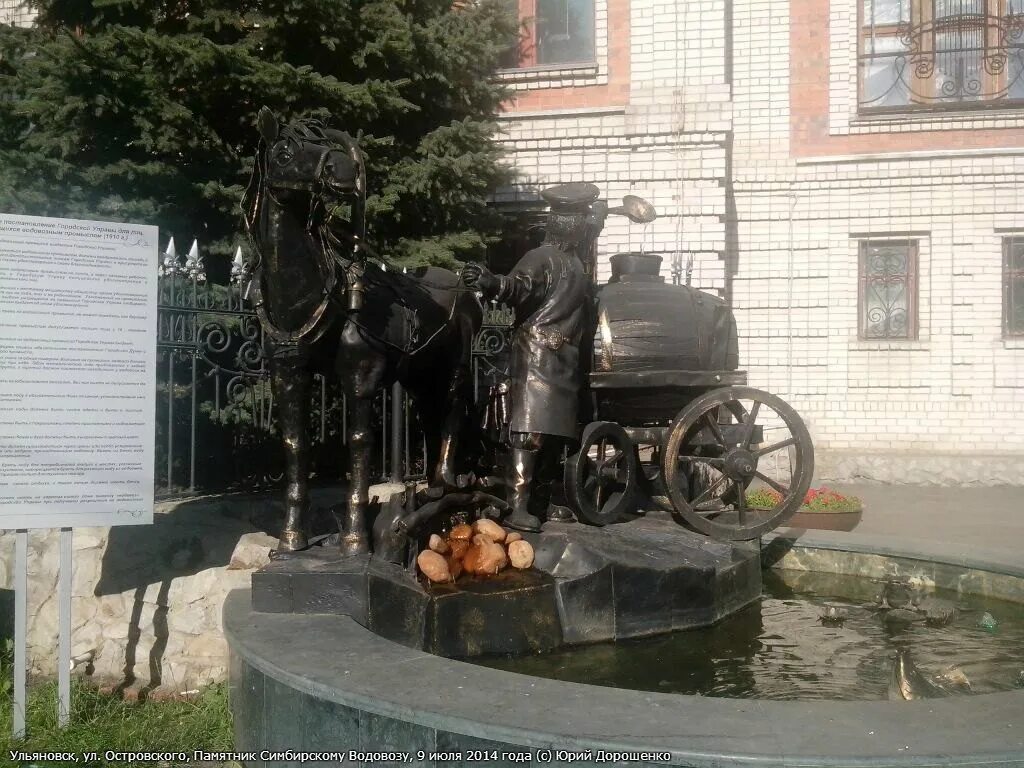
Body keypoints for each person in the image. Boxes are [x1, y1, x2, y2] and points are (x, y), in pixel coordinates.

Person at [462, 182, 602, 531]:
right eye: (582, 218)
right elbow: (517, 286)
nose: (586, 224)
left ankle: (541, 501)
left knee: (555, 434)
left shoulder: (575, 263)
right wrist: (491, 281)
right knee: (529, 433)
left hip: (564, 360)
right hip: (537, 357)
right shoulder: (541, 258)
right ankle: (517, 505)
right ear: (567, 222)